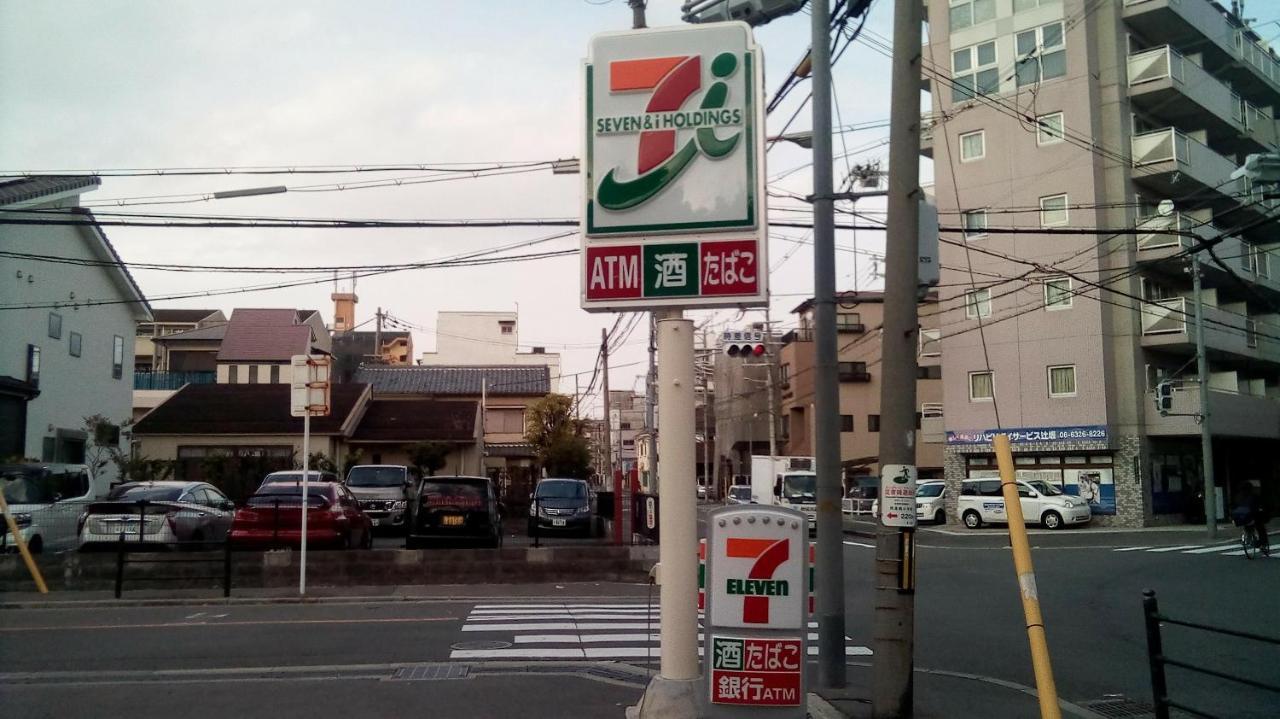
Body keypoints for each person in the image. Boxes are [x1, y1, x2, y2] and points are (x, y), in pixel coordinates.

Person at [1232, 483, 1270, 555]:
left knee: (1247, 525)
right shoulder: (1253, 496)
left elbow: (1233, 506)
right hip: (1251, 518)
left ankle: (1248, 537)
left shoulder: (1237, 497)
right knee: (1260, 528)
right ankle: (1262, 543)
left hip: (1240, 519)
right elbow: (1258, 506)